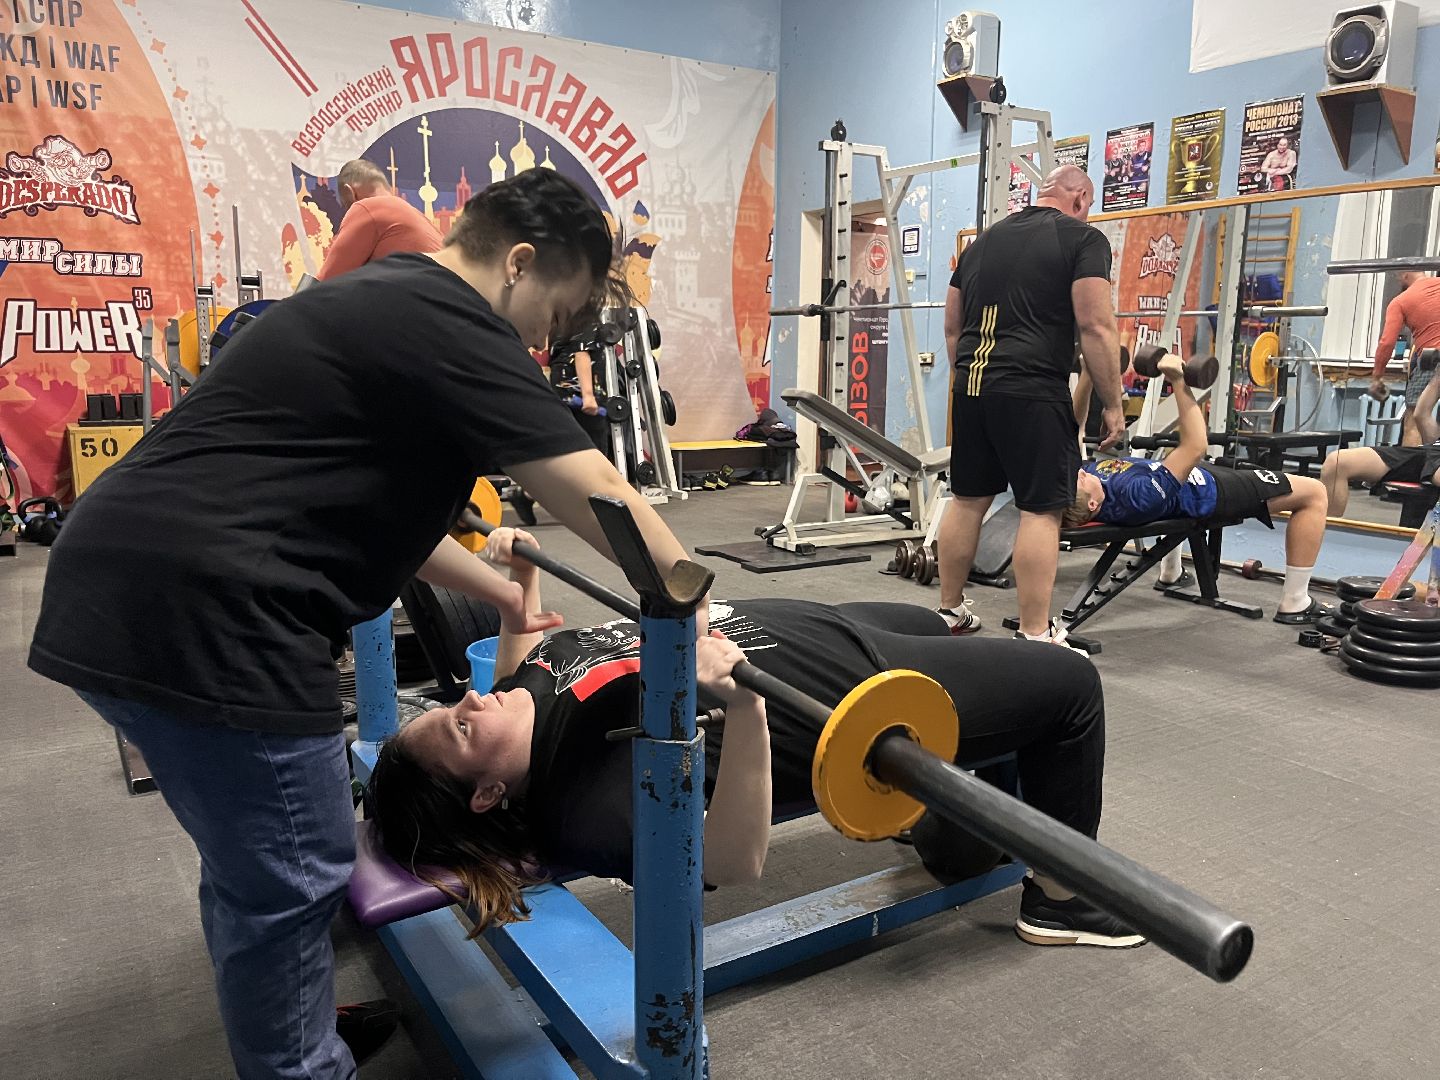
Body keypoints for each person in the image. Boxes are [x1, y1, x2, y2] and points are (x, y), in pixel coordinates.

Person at [28, 169, 703, 1080]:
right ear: (518, 262)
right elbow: (603, 493)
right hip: (210, 612)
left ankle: (286, 1016)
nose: (545, 344)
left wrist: (504, 596)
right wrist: (693, 608)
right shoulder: (457, 321)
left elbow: (397, 520)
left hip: (120, 587)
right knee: (298, 868)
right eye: (553, 314)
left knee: (254, 860)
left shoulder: (386, 303)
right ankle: (299, 1062)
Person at [368, 525, 1146, 952]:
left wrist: (519, 594)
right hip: (855, 690)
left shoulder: (517, 701)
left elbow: (513, 671)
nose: (472, 699)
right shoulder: (591, 806)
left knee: (933, 622)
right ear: (488, 793)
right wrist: (744, 710)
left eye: (451, 704)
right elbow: (730, 863)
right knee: (1068, 685)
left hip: (830, 630)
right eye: (460, 725)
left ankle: (961, 826)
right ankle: (1061, 900)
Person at [939, 164, 1126, 648]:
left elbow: (952, 327)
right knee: (1041, 510)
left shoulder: (981, 243)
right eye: (1088, 205)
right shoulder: (1084, 239)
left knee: (967, 499)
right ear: (1080, 199)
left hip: (972, 387)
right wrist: (1113, 404)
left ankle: (949, 611)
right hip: (1033, 390)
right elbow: (1096, 326)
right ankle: (1035, 634)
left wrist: (969, 382)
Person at [1068, 353, 1333, 625]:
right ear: (1092, 504)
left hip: (1193, 478)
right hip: (1213, 491)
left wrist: (1088, 373)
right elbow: (1195, 446)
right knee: (1314, 492)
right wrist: (1178, 382)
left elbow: (1073, 430)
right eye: (1080, 479)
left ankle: (1171, 572)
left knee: (1170, 481)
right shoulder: (1137, 496)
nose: (1080, 472)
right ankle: (1295, 602)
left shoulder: (1088, 485)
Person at [1319, 364, 1440, 516]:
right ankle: (1327, 527)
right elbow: (1421, 416)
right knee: (1336, 463)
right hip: (1430, 452)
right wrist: (1437, 376)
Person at [316, 158, 444, 280]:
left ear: (350, 192)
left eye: (346, 206)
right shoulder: (421, 219)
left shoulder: (367, 207)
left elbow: (327, 282)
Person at [1366, 271, 1440, 446]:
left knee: (1415, 419)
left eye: (1398, 276)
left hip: (1433, 359)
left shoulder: (1400, 301)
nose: (1398, 280)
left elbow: (1386, 343)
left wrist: (1377, 378)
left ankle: (1416, 464)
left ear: (1405, 275)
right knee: (1422, 414)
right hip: (1429, 359)